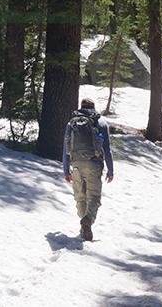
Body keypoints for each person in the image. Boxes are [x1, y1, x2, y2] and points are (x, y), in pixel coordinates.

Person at [63, 98, 114, 241]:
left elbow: (66, 147)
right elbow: (107, 149)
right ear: (94, 108)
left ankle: (84, 226)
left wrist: (66, 170)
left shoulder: (71, 123)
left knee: (80, 197)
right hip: (94, 164)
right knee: (93, 196)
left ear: (81, 107)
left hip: (77, 164)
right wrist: (110, 171)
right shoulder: (101, 123)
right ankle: (87, 221)